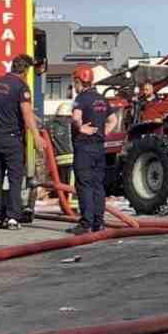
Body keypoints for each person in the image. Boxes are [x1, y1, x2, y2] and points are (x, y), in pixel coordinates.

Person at [0, 54, 46, 230]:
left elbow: (5, 107)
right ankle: (13, 218)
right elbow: (26, 113)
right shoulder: (21, 87)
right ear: (25, 70)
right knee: (14, 180)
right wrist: (36, 136)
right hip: (12, 140)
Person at [67, 64, 116, 234]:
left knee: (84, 185)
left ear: (79, 81)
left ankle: (85, 223)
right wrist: (102, 133)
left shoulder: (81, 98)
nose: (74, 85)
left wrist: (81, 128)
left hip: (84, 147)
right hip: (99, 148)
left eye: (75, 82)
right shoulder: (102, 99)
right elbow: (113, 120)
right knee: (97, 185)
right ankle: (99, 222)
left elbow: (76, 117)